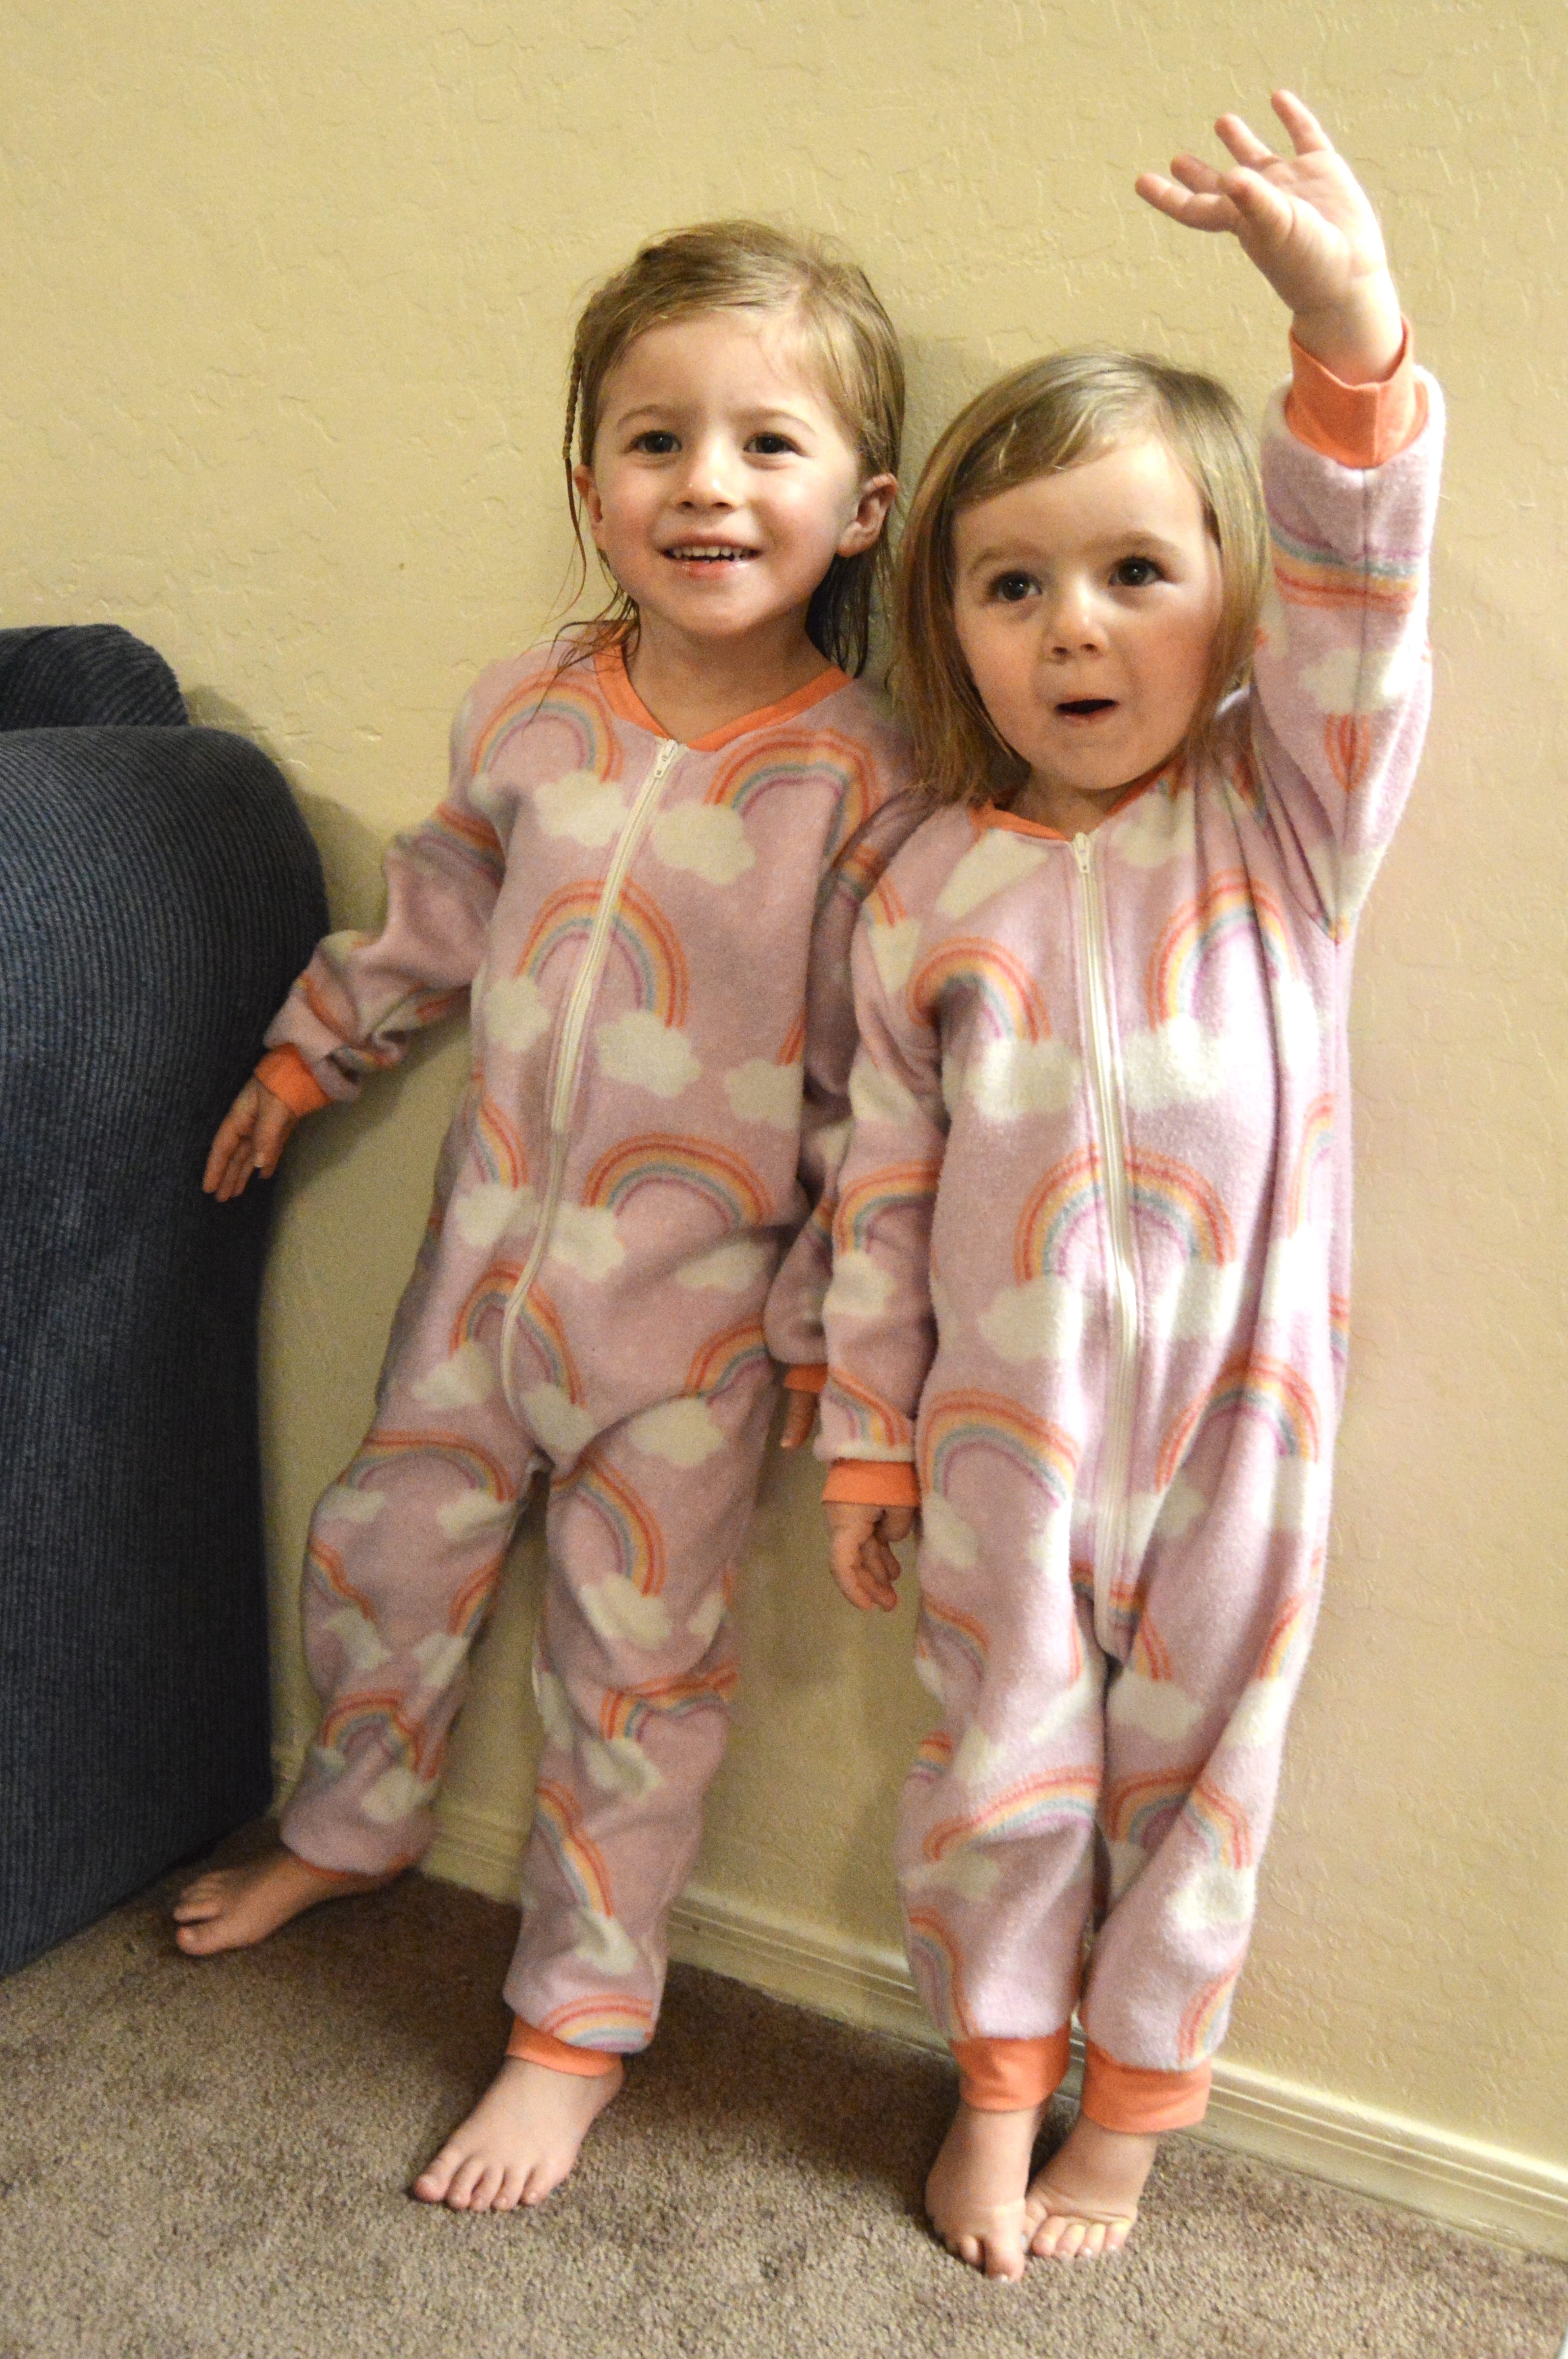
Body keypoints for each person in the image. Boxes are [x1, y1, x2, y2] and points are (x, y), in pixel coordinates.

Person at [174, 218, 919, 2213]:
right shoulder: (532, 709)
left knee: (633, 1687)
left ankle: (574, 2029)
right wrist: (307, 1058)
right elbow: (431, 915)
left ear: (863, 507)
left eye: (766, 445)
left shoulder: (867, 780)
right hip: (476, 1280)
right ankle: (352, 1825)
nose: (706, 486)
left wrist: (840, 1349)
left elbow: (873, 1102)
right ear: (589, 482)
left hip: (692, 1340)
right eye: (656, 440)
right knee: (377, 1555)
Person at [818, 94, 1441, 2278]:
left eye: (1133, 575)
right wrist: (868, 1431)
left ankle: (1137, 2113)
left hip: (1241, 1429)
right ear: (951, 624)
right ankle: (997, 2079)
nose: (1072, 631)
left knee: (1201, 1773)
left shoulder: (1285, 820)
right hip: (1000, 1426)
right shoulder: (923, 885)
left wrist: (1346, 338)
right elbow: (877, 1190)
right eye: (1014, 586)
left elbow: (1366, 612)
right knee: (995, 1759)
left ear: (1230, 605)